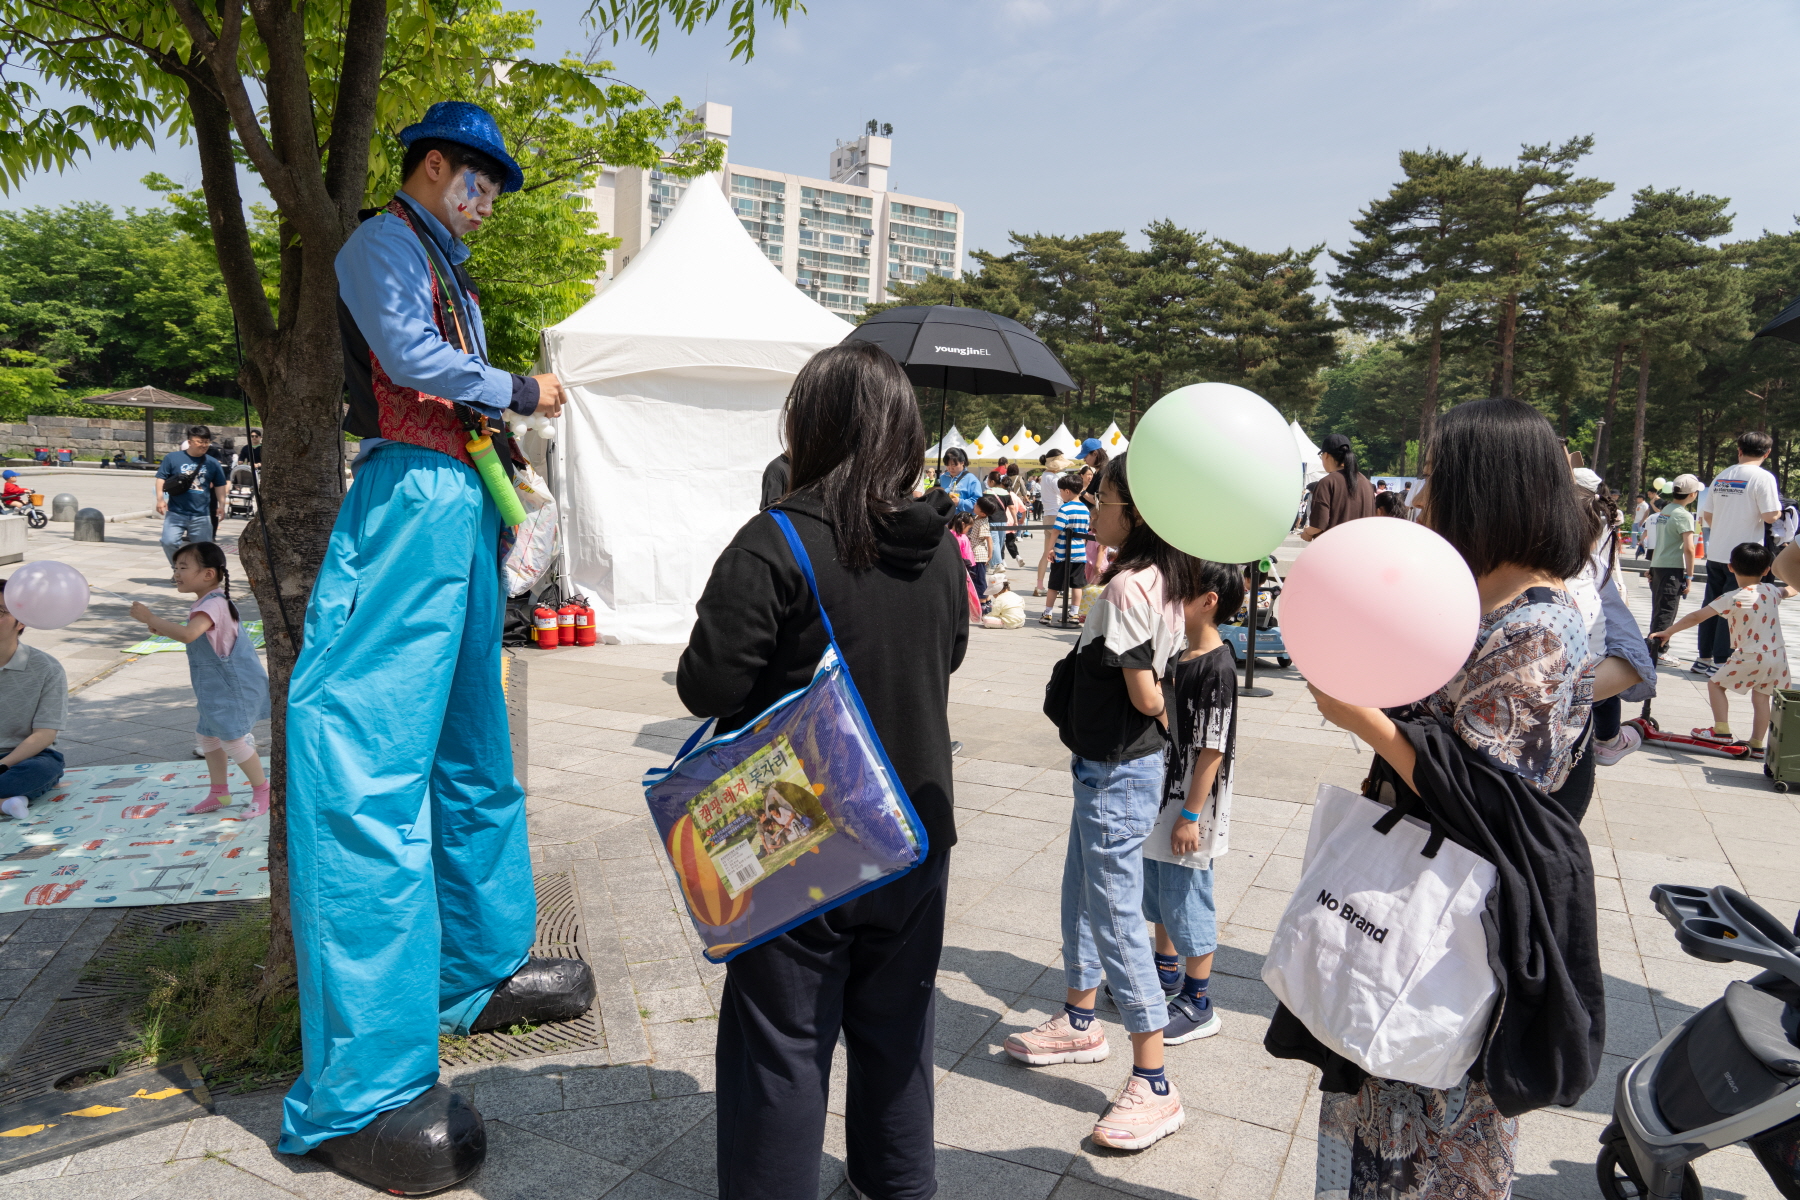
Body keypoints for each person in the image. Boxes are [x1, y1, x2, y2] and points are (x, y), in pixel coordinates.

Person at [279, 102, 589, 1189]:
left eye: (496, 187)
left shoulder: (442, 260)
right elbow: (410, 359)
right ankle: (361, 1090)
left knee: (472, 745)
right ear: (435, 164)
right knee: (363, 767)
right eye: (481, 180)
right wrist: (514, 390)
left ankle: (480, 963)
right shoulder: (383, 245)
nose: (489, 200)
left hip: (456, 499)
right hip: (408, 496)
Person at [1291, 397, 1604, 1198]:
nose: (1424, 499)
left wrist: (1363, 719)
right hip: (1412, 893)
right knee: (1379, 1091)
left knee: (1435, 1125)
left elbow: (1497, 799)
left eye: (1440, 480)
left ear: (1487, 489)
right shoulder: (1472, 595)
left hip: (1457, 923)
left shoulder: (1541, 625)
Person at [676, 341, 967, 1200]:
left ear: (810, 427)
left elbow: (707, 684)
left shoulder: (777, 541)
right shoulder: (942, 549)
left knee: (783, 1043)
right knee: (897, 1032)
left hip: (799, 826)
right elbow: (945, 656)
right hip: (916, 823)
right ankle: (896, 1186)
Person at [1008, 451, 1202, 1151]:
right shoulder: (1168, 579)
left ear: (1137, 511)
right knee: (1080, 892)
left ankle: (1153, 1078)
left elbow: (1146, 690)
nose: (1097, 509)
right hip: (1112, 768)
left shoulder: (1129, 589)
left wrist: (1147, 699)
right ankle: (1079, 1018)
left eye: (1107, 500)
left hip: (1116, 771)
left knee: (1116, 913)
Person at [1141, 557, 1245, 1046]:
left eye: (1186, 592)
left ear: (1210, 602)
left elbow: (1212, 747)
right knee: (1160, 889)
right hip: (1164, 796)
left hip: (1191, 804)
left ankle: (1199, 1000)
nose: (1175, 599)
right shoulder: (1180, 653)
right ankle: (1164, 973)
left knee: (1187, 897)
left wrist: (1189, 816)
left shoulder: (1218, 667)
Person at [128, 543, 271, 816]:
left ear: (208, 574)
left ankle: (263, 790)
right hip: (214, 688)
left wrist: (151, 617)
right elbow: (189, 632)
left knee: (233, 740)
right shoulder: (207, 602)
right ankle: (219, 793)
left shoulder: (214, 604)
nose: (176, 574)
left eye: (183, 568)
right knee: (207, 736)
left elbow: (188, 634)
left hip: (231, 687)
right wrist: (158, 624)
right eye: (175, 568)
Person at [1651, 541, 1795, 756]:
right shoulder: (1772, 590)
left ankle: (1721, 730)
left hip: (1750, 654)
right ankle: (1756, 744)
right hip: (1777, 655)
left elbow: (1697, 616)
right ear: (1766, 570)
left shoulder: (1732, 597)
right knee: (1762, 697)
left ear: (1730, 567)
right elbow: (1791, 589)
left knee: (1716, 685)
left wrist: (1669, 631)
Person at [1693, 430, 1782, 676]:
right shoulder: (1763, 478)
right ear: (1767, 452)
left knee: (1711, 604)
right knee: (1733, 607)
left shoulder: (1722, 476)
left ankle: (1703, 657)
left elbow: (1708, 516)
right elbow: (1770, 515)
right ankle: (1722, 661)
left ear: (1739, 450)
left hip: (1718, 551)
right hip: (1744, 555)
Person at [0, 577, 66, 822]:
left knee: (44, 768)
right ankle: (6, 803)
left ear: (21, 621)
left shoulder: (47, 668)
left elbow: (45, 734)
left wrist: (3, 765)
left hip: (24, 757)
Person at [155, 425, 230, 565]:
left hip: (201, 515)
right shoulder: (172, 458)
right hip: (176, 512)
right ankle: (178, 569)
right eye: (200, 441)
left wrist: (221, 505)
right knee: (168, 542)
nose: (204, 445)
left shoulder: (212, 463)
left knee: (204, 550)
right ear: (189, 442)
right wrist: (160, 499)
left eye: (207, 442)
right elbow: (161, 478)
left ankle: (198, 576)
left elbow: (220, 485)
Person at [1644, 476, 1700, 663]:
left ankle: (1651, 647)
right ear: (1692, 494)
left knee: (1658, 609)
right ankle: (1659, 650)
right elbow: (1689, 548)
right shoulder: (1683, 515)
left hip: (1658, 565)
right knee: (1667, 610)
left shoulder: (1666, 510)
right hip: (1672, 567)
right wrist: (1690, 576)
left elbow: (1659, 540)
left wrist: (1651, 567)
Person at [1300, 433, 1376, 541]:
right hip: (1361, 549)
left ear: (1326, 455)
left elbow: (1319, 525)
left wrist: (1307, 533)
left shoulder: (1327, 482)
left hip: (1334, 549)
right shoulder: (1366, 483)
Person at [1036, 473, 1089, 626]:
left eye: (1060, 491)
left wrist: (1050, 549)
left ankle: (1047, 613)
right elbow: (1084, 533)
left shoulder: (1065, 509)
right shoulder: (1085, 509)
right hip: (1079, 554)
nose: (1060, 494)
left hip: (1062, 553)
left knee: (1054, 585)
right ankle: (1074, 613)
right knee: (1077, 585)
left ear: (1067, 491)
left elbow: (1056, 531)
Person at [937, 446, 983, 513]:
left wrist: (959, 502)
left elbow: (978, 504)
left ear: (962, 462)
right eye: (947, 465)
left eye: (954, 465)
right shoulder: (942, 477)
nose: (950, 468)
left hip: (961, 521)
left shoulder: (971, 480)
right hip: (943, 520)